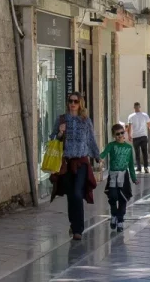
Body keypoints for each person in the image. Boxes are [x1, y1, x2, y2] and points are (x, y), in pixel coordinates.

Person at [49, 92, 100, 241]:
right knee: (71, 195)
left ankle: (78, 229)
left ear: (80, 104)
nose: (72, 104)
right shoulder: (61, 120)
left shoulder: (85, 121)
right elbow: (52, 139)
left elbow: (91, 140)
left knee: (77, 193)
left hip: (81, 162)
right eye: (70, 101)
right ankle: (73, 224)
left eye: (76, 101)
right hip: (66, 163)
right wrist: (60, 132)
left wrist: (97, 157)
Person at [99, 123, 138, 231]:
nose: (120, 135)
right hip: (113, 176)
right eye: (117, 134)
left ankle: (120, 220)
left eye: (122, 133)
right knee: (113, 196)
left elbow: (130, 165)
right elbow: (103, 154)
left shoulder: (129, 148)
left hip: (123, 176)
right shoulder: (111, 145)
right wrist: (99, 159)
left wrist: (134, 178)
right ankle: (114, 215)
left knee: (123, 198)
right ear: (114, 135)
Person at [127, 102, 150, 174]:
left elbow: (130, 127)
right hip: (143, 136)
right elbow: (149, 124)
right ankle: (146, 167)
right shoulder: (145, 115)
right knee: (145, 152)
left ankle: (138, 167)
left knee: (137, 152)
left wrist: (129, 135)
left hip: (136, 136)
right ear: (139, 107)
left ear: (134, 108)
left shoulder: (131, 116)